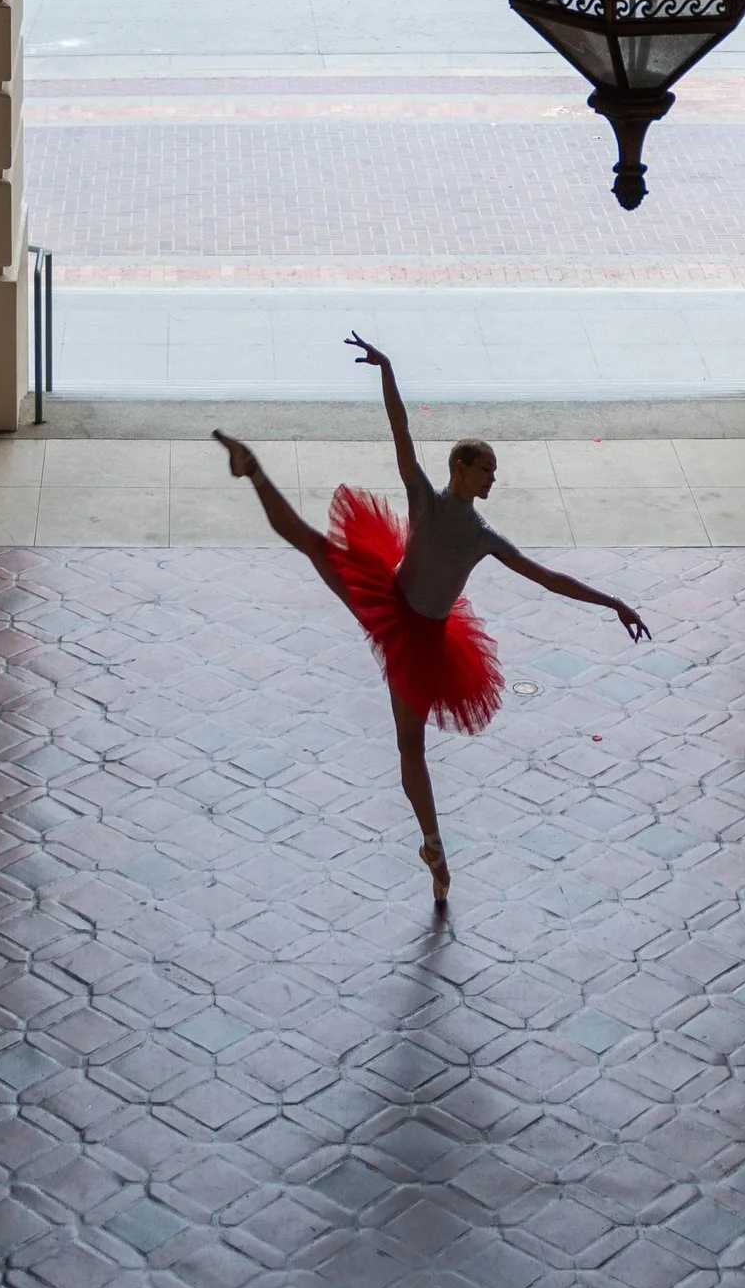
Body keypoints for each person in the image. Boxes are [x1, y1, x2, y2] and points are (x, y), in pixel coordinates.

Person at [215, 333, 648, 905]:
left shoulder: (482, 537)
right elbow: (401, 436)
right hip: (388, 602)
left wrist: (612, 602)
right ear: (461, 469)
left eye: (494, 471)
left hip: (425, 642)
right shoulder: (424, 498)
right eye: (487, 469)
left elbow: (547, 577)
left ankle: (433, 848)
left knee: (410, 747)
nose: (494, 478)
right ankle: (252, 469)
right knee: (312, 543)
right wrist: (387, 372)